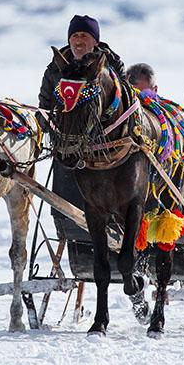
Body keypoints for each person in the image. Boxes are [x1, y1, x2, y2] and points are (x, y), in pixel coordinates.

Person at [38, 15, 125, 235]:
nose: (78, 40)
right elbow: (45, 106)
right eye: (74, 35)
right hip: (67, 145)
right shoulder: (54, 70)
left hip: (105, 150)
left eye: (84, 35)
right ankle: (70, 229)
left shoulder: (111, 66)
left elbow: (123, 104)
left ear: (95, 40)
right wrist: (49, 126)